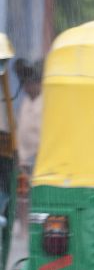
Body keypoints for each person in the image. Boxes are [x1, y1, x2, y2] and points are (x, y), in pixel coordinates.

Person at [14, 60, 43, 237]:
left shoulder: (46, 101)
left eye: (28, 84)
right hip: (24, 158)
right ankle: (24, 228)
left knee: (39, 195)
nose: (25, 88)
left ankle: (35, 228)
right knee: (22, 195)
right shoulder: (25, 102)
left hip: (40, 159)